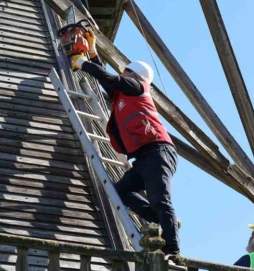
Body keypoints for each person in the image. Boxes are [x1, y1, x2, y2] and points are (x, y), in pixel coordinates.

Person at [72, 31, 180, 257]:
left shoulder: (138, 87)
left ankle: (173, 248)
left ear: (133, 75)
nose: (122, 74)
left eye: (125, 72)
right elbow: (107, 80)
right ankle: (163, 218)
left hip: (158, 150)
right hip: (143, 156)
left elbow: (112, 79)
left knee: (161, 199)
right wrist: (92, 55)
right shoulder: (124, 96)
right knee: (120, 191)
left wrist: (82, 63)